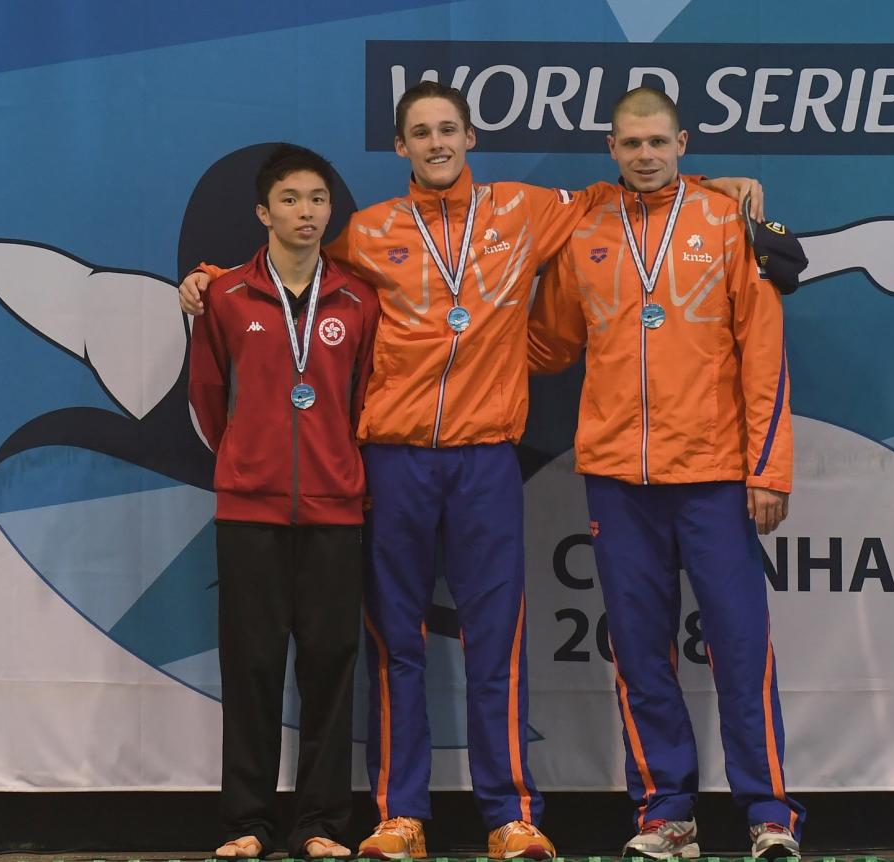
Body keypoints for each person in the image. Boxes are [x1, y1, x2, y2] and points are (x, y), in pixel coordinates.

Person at [180, 81, 763, 860]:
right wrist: (211, 281)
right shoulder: (367, 231)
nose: (436, 143)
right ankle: (400, 815)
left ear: (470, 136)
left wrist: (715, 188)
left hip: (487, 458)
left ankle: (510, 813)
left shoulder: (526, 210)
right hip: (393, 461)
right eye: (420, 133)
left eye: (448, 129)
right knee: (397, 642)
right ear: (401, 148)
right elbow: (298, 278)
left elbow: (621, 193)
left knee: (499, 641)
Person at [527, 87, 805, 860]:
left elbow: (764, 353)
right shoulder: (585, 229)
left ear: (682, 141)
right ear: (610, 149)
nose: (645, 155)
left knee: (741, 648)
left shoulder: (726, 221)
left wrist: (767, 468)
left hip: (714, 474)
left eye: (657, 141)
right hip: (618, 478)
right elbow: (548, 345)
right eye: (630, 144)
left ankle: (768, 813)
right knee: (641, 652)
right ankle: (666, 813)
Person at [188, 144, 379, 860]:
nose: (307, 213)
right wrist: (245, 461)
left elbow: (364, 403)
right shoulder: (227, 296)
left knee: (331, 664)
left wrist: (338, 469)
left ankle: (322, 825)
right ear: (263, 212)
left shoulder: (360, 299)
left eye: (319, 200)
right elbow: (206, 395)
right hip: (249, 509)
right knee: (252, 664)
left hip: (335, 509)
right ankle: (247, 822)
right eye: (292, 200)